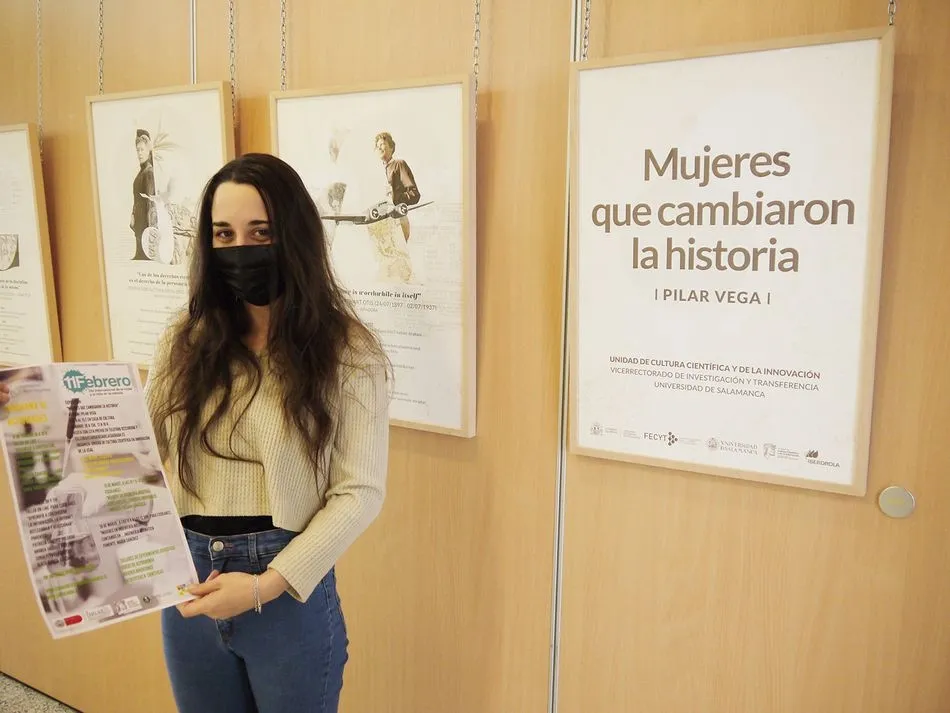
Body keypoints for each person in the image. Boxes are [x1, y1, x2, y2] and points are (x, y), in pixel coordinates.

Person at [0, 153, 392, 712]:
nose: (241, 250)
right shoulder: (184, 341)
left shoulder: (350, 353)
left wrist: (266, 584)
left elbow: (359, 493)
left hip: (285, 583)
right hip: (186, 577)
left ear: (296, 237)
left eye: (261, 232)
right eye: (223, 235)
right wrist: (44, 424)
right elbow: (138, 452)